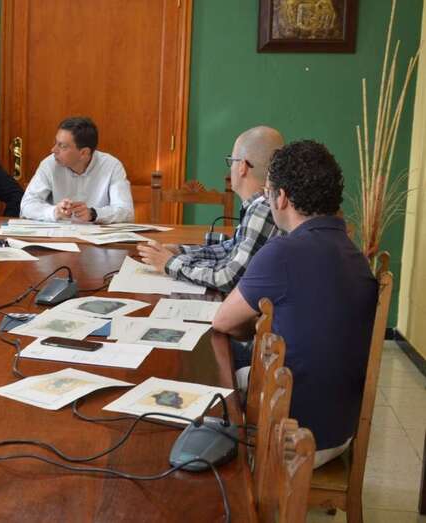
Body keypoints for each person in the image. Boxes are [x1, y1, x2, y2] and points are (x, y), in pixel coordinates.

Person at [212, 140, 377, 468]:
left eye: (268, 191)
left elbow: (224, 322)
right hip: (339, 427)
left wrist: (253, 326)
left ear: (282, 197)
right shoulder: (353, 253)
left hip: (296, 436)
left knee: (206, 402)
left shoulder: (283, 253)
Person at [137, 126, 284, 293]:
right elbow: (231, 249)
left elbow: (228, 277)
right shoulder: (260, 204)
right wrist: (180, 251)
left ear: (242, 166)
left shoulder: (262, 209)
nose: (231, 168)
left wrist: (170, 263)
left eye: (231, 160)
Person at [20, 116, 134, 224]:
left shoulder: (112, 166)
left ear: (84, 153)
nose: (53, 150)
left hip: (97, 239)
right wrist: (54, 211)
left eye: (62, 146)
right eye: (56, 143)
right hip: (57, 238)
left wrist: (93, 214)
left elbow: (126, 211)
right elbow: (27, 205)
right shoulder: (49, 164)